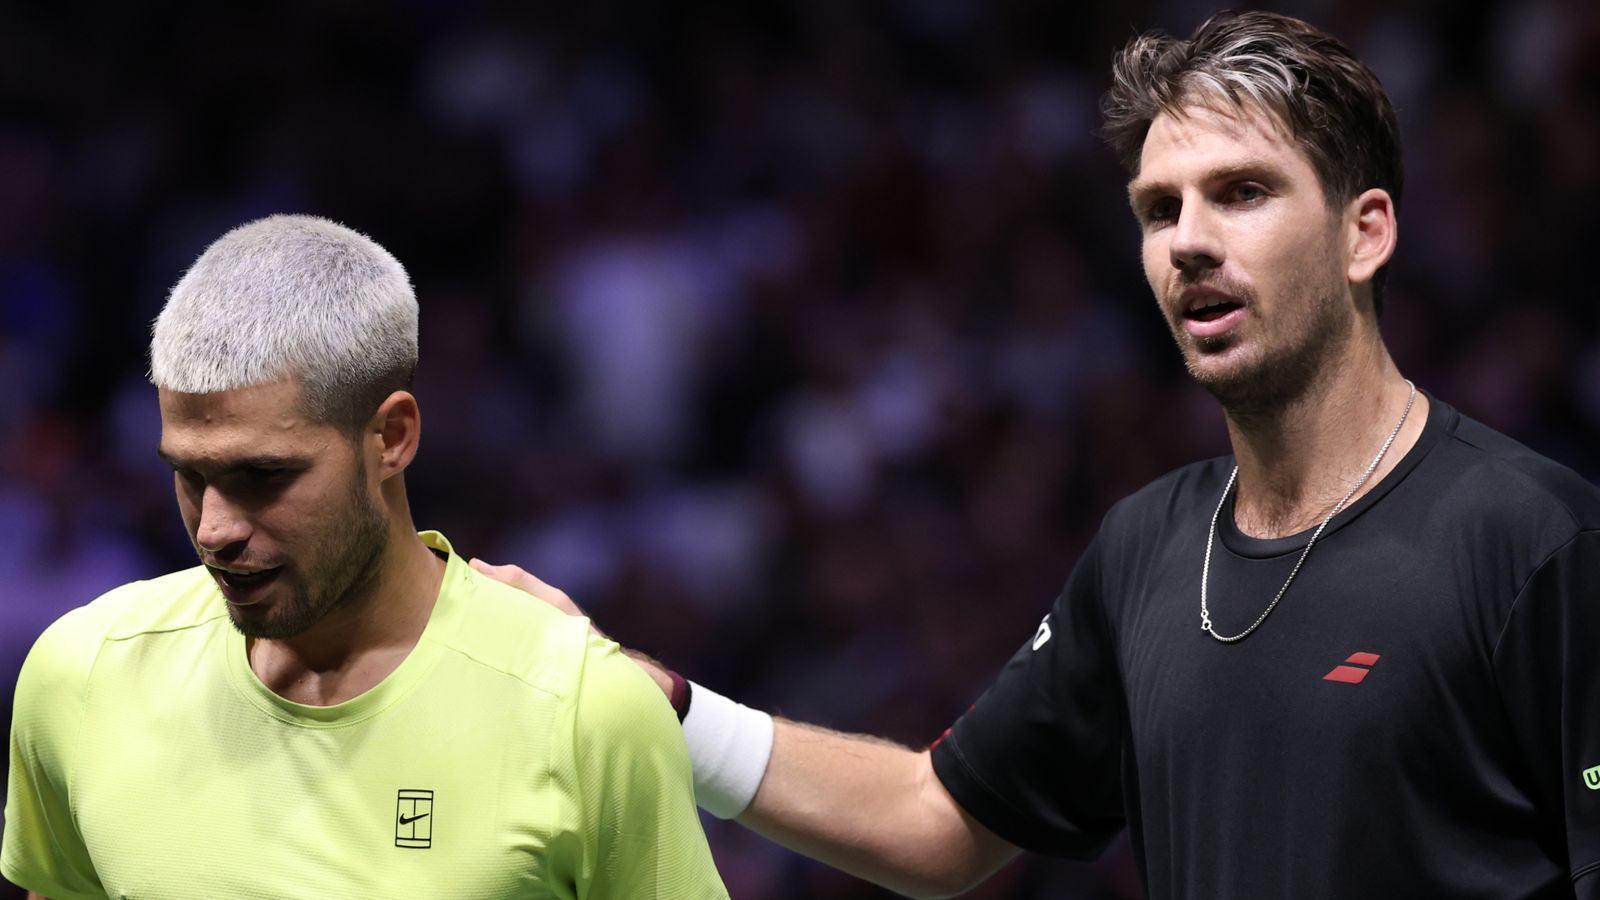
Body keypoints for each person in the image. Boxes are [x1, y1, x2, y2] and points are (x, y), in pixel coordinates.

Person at [476, 11, 1600, 898]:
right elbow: (936, 822)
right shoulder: (1145, 547)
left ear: (1366, 232)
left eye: (1242, 193)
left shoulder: (1535, 541)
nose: (1189, 242)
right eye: (1159, 210)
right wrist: (658, 700)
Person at [2, 215, 728, 899]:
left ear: (392, 437)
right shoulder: (81, 675)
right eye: (190, 473)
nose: (216, 528)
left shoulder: (588, 714)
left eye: (264, 476)